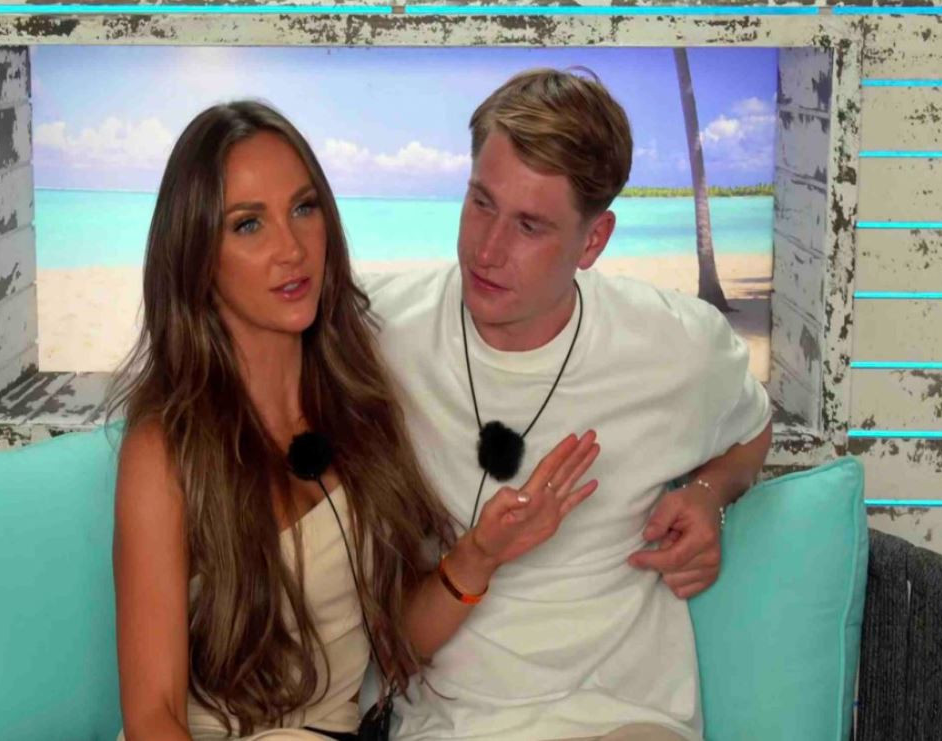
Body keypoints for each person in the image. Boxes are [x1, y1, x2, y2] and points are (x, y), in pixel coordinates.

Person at [104, 100, 602, 741]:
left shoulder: (361, 405)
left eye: (304, 209)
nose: (292, 248)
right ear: (197, 254)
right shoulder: (165, 450)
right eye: (248, 225)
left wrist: (481, 554)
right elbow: (153, 718)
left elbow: (397, 646)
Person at [358, 69, 774, 740]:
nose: (487, 249)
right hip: (450, 723)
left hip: (624, 717)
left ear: (593, 241)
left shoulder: (679, 346)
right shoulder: (379, 331)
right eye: (479, 203)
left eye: (528, 225)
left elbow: (751, 434)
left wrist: (708, 490)